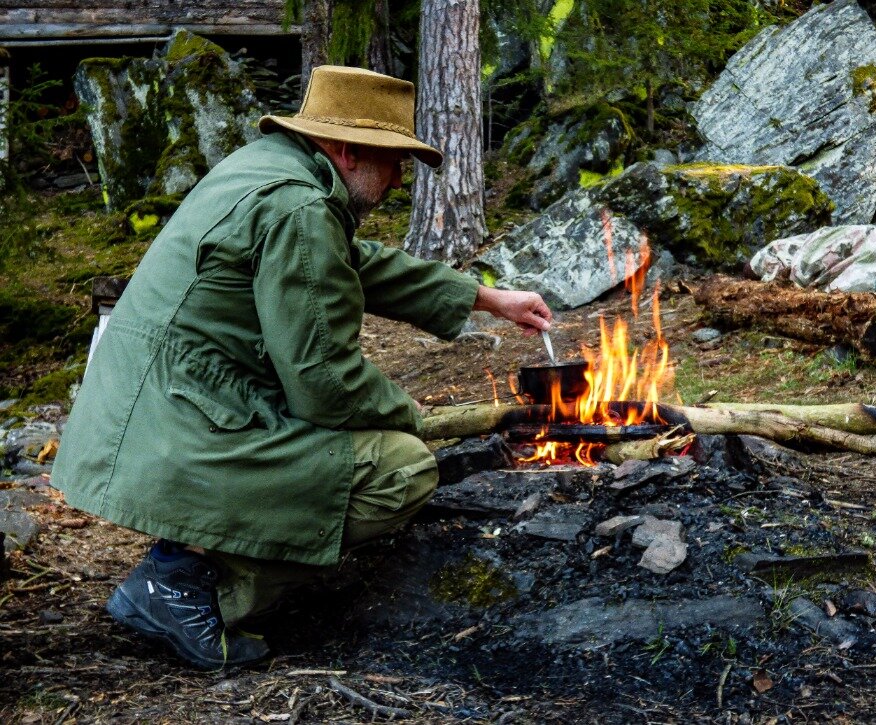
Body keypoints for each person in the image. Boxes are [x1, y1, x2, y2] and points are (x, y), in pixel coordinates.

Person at [51, 65, 552, 669]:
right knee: (400, 470)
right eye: (394, 161)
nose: (398, 180)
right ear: (348, 150)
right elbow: (325, 382)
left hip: (146, 412)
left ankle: (182, 563)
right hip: (181, 427)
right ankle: (185, 590)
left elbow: (350, 261)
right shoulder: (298, 208)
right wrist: (411, 417)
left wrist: (486, 296)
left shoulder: (267, 170)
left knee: (350, 445)